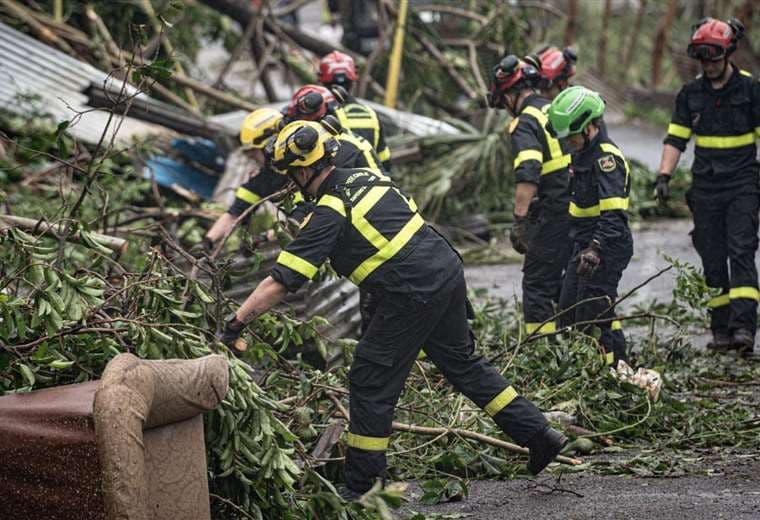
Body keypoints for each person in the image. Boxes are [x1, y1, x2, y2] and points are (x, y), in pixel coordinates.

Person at [217, 120, 567, 497]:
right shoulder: (368, 177)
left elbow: (281, 282)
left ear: (302, 170)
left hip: (411, 291)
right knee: (462, 362)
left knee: (369, 379)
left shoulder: (331, 211)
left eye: (289, 174)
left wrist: (235, 323)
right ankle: (538, 433)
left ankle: (365, 486)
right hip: (445, 269)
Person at [655, 17, 759, 356]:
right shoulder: (690, 94)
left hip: (743, 182)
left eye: (714, 58)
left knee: (741, 251)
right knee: (712, 259)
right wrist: (663, 176)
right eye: (703, 60)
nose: (709, 65)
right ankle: (721, 329)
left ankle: (744, 328)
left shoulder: (750, 90)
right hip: (706, 187)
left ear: (728, 54)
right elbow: (676, 138)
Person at [548, 86, 632, 368]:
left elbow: (614, 215)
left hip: (606, 246)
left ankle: (612, 370)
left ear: (588, 127)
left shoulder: (606, 160)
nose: (568, 141)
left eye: (571, 135)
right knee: (569, 310)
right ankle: (604, 363)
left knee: (594, 315)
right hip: (583, 243)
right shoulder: (581, 153)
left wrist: (596, 249)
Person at [487, 55, 572, 336]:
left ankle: (542, 351)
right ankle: (575, 342)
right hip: (578, 208)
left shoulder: (525, 122)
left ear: (509, 94)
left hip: (552, 211)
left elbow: (528, 171)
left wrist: (519, 220)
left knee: (536, 284)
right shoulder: (555, 108)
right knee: (567, 281)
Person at [199, 108, 285, 253]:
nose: (250, 156)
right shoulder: (263, 179)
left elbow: (304, 220)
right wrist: (207, 241)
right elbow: (234, 213)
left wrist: (263, 238)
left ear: (271, 144)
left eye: (253, 150)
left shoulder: (303, 172)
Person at [317, 50, 392, 171]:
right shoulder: (370, 114)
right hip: (370, 183)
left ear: (321, 80)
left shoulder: (315, 117)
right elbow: (384, 159)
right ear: (353, 81)